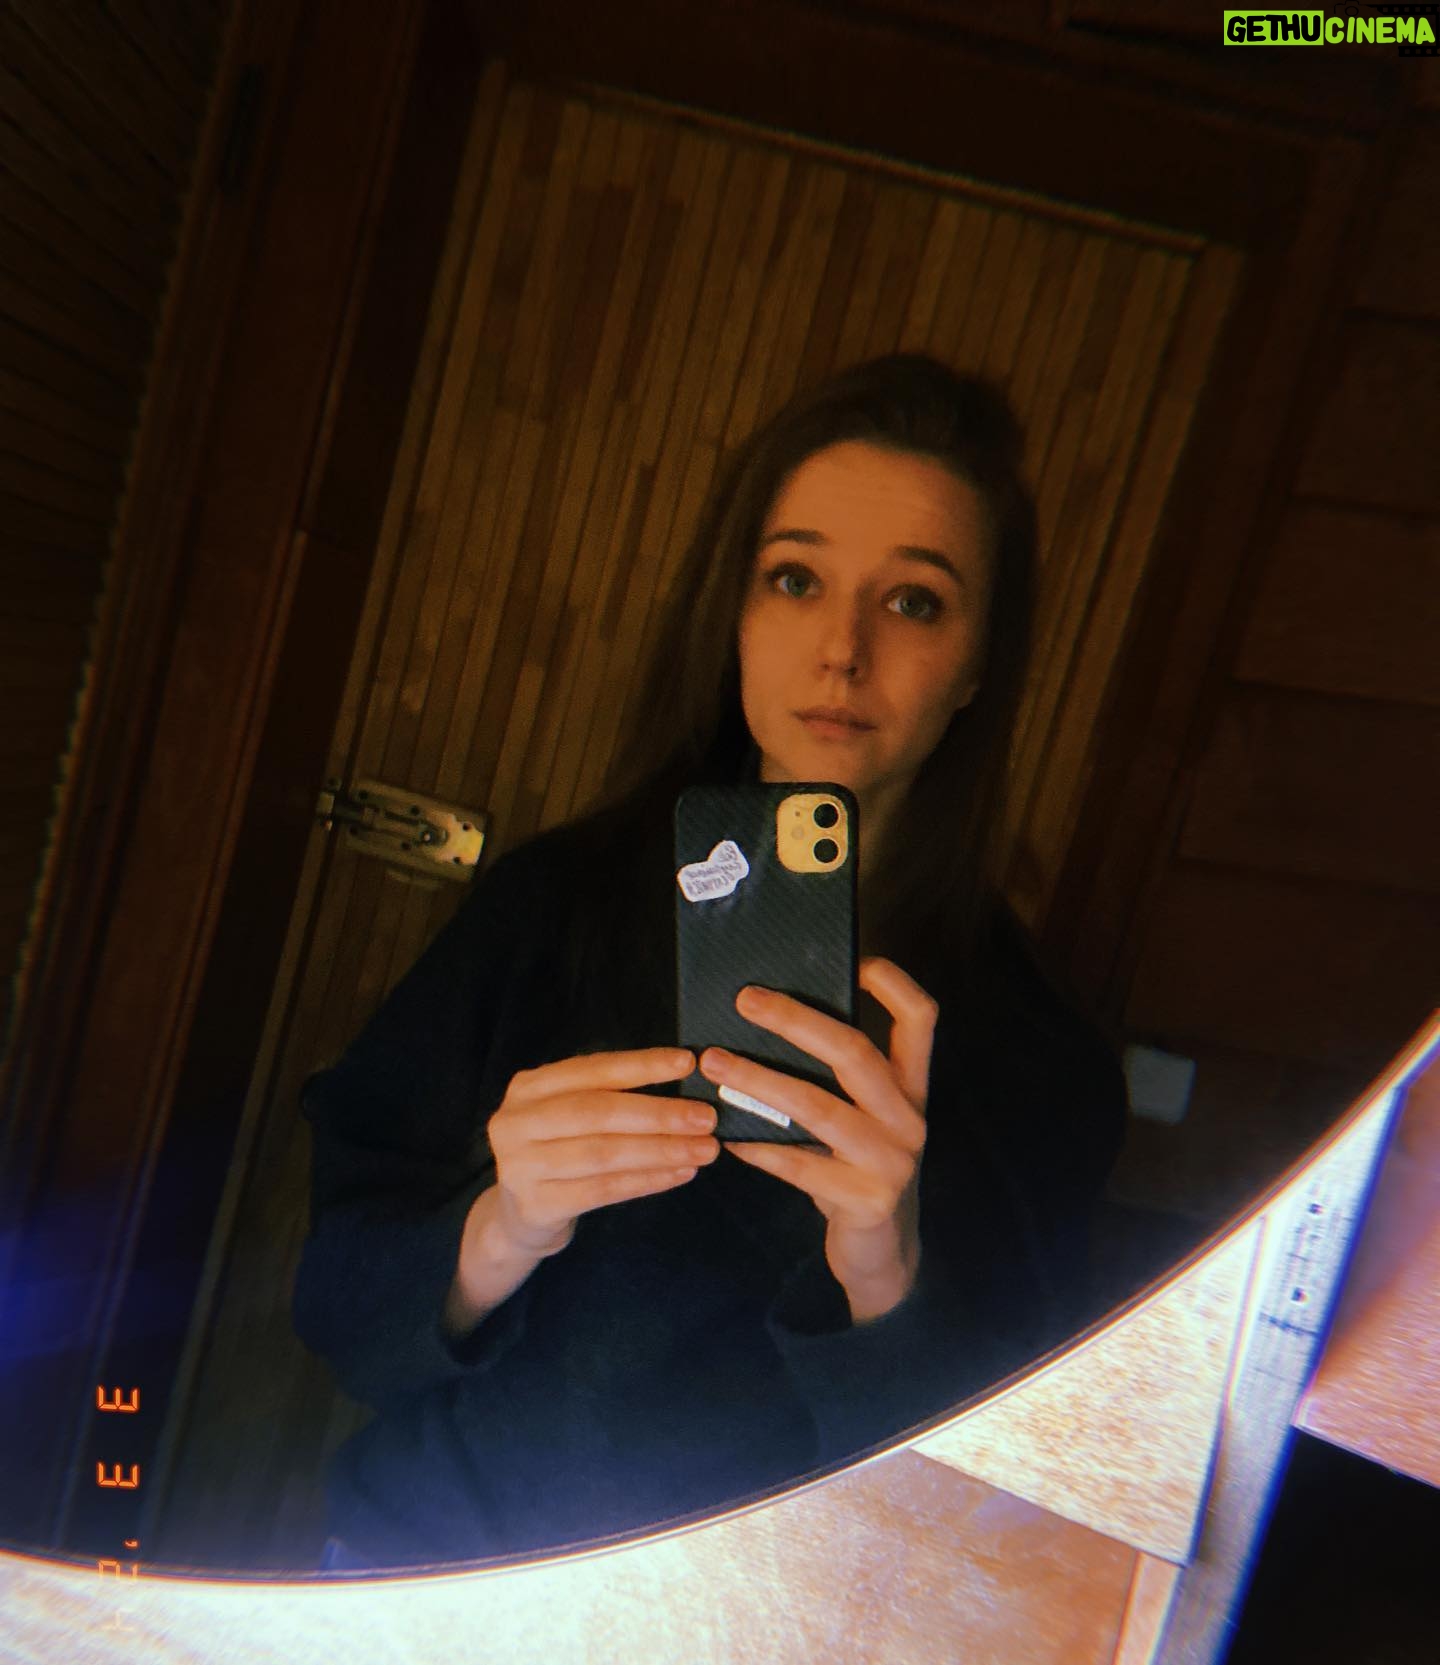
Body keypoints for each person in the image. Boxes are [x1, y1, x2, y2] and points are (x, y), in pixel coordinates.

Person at [292, 353, 1127, 1571]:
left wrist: (885, 1278)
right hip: (436, 1582)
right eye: (795, 579)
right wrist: (497, 1229)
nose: (842, 650)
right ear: (734, 614)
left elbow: (991, 1532)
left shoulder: (1044, 1059)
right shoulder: (548, 907)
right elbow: (334, 1312)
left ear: (977, 667)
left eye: (914, 602)